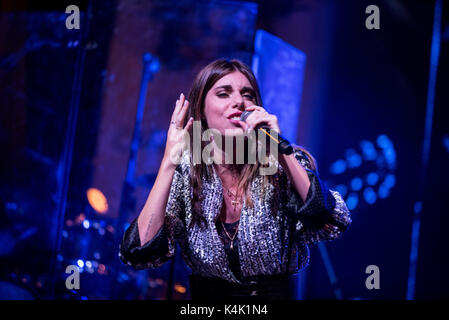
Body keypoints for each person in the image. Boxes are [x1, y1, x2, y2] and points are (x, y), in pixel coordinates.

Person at [119, 58, 351, 300]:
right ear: (201, 110)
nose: (239, 101)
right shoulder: (187, 173)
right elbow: (139, 251)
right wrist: (169, 161)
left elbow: (333, 220)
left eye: (248, 95)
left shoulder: (280, 166)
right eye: (223, 93)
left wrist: (281, 151)